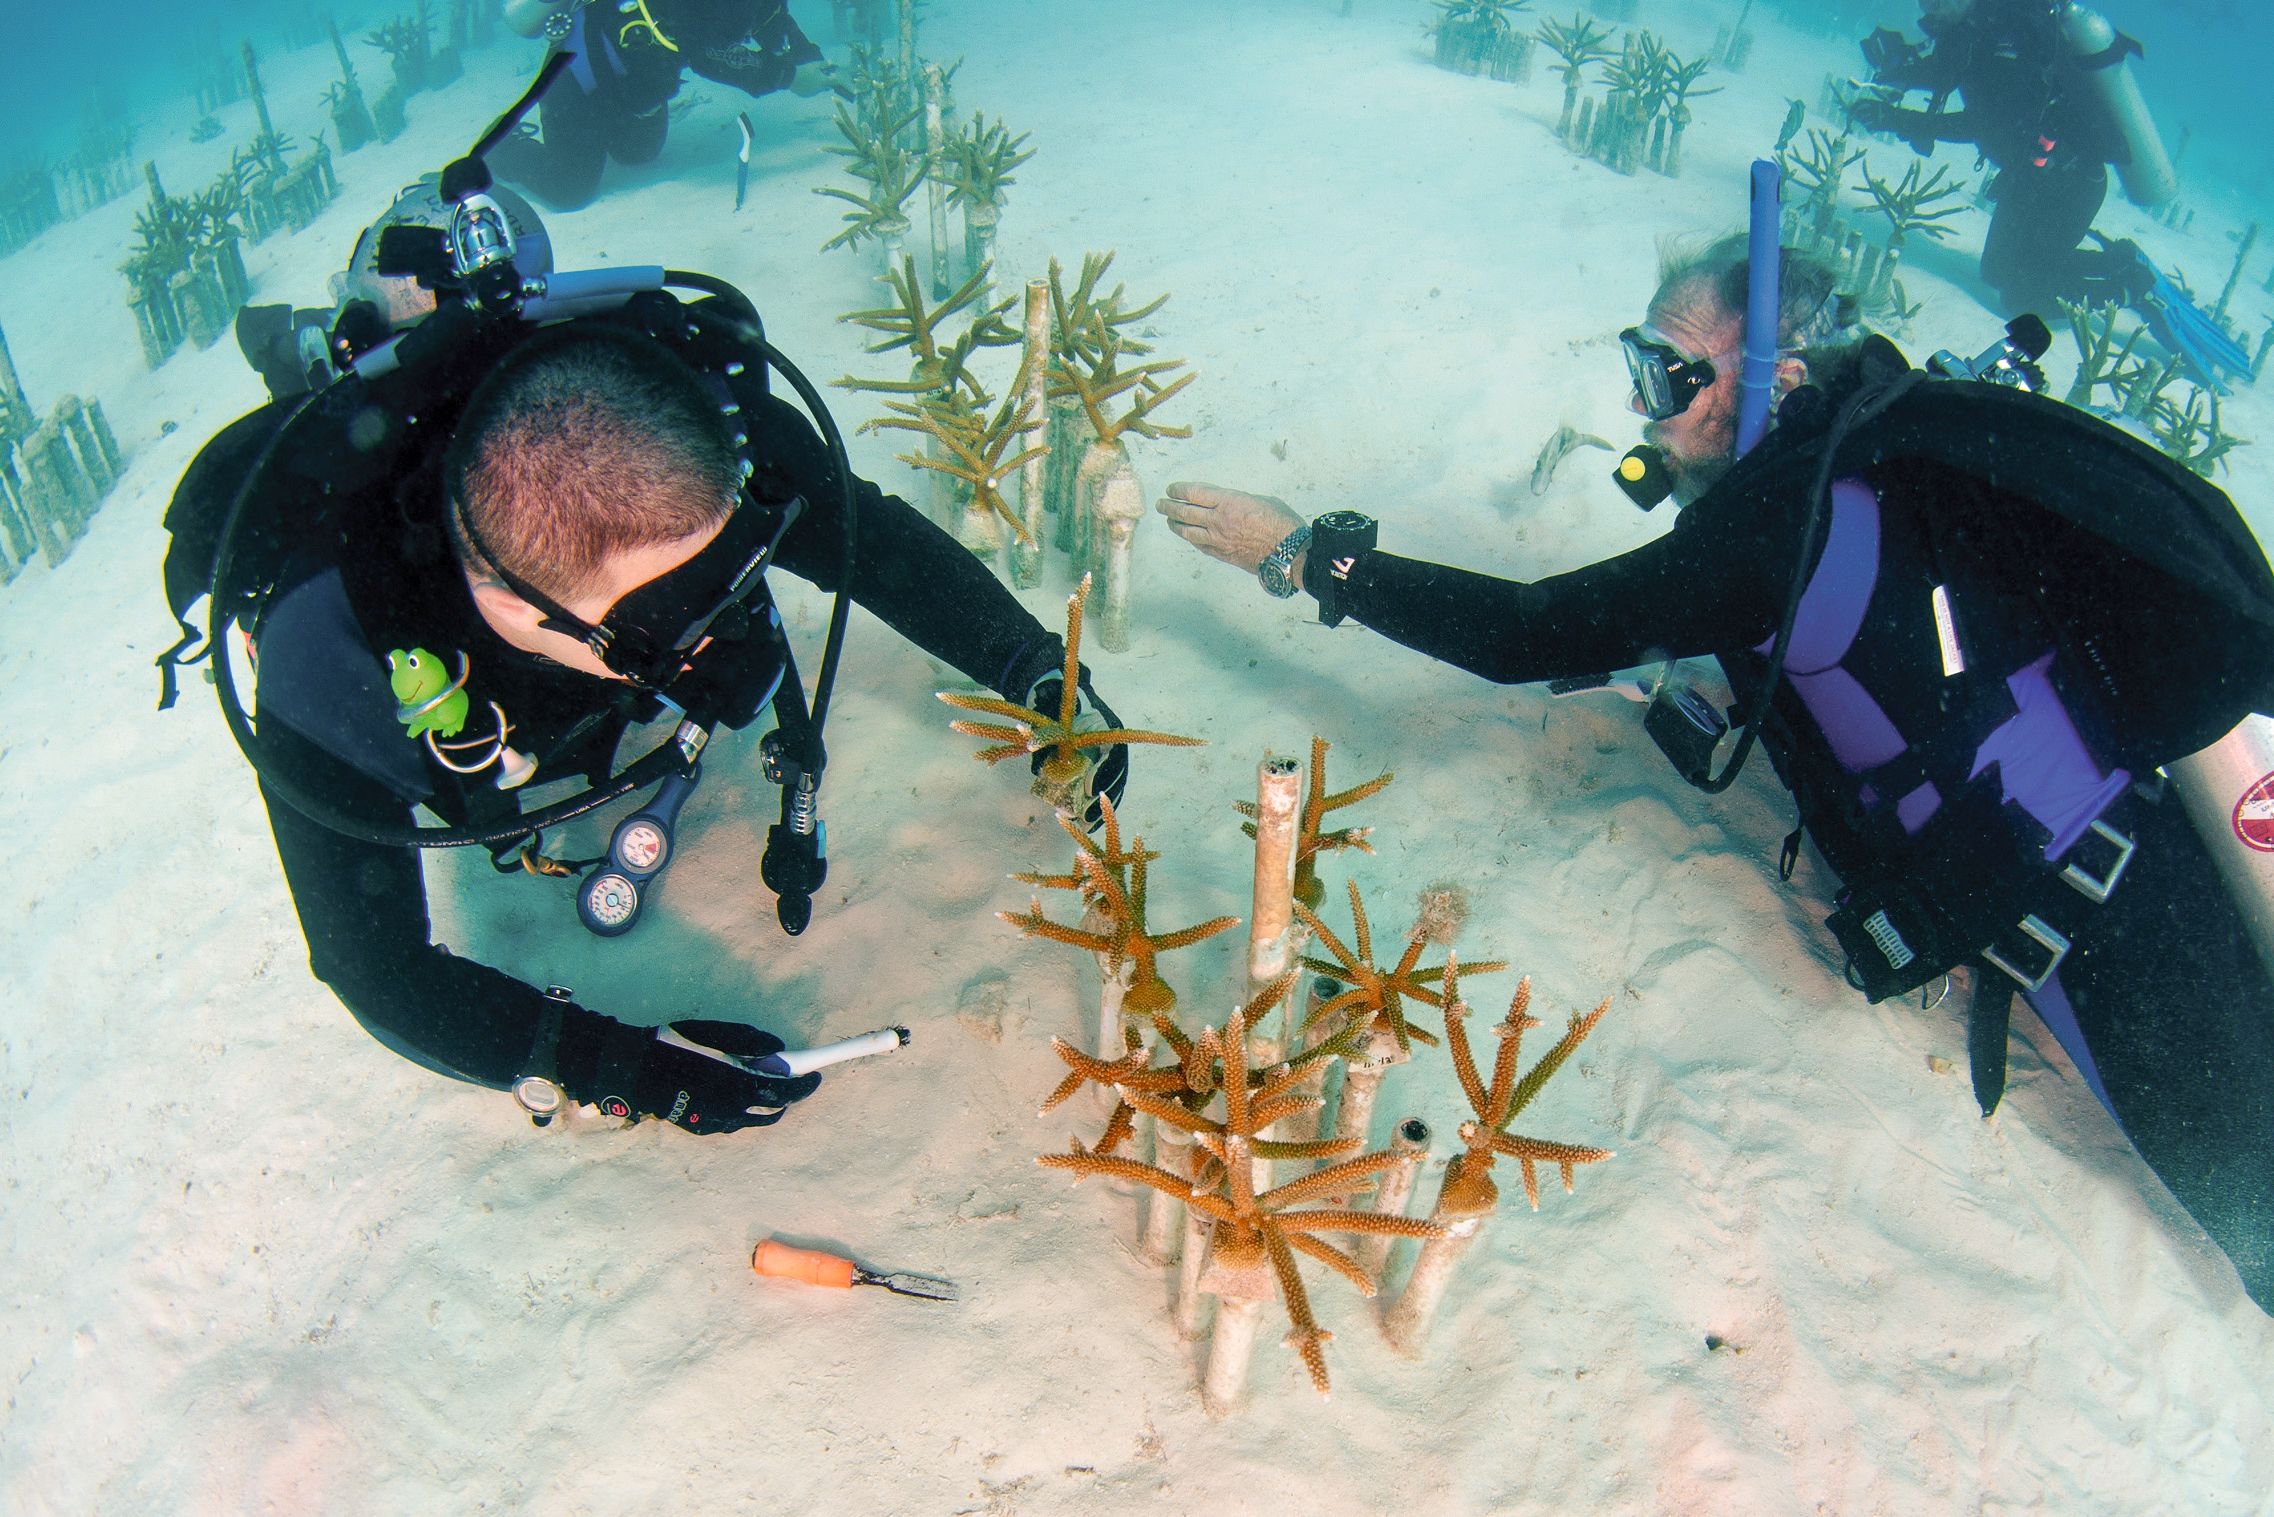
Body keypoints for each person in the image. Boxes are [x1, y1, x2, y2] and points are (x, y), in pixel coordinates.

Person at [1156, 234, 2274, 1309]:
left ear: (1775, 381)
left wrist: (1306, 554)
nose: (1643, 407)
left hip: (2096, 920)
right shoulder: (1877, 436)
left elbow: (1529, 632)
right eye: (1640, 366)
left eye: (1671, 374)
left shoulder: (1783, 520)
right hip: (2138, 835)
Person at [165, 181, 1131, 1136]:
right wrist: (612, 1065)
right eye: (666, 629)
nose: (725, 648)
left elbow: (867, 540)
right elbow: (370, 970)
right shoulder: (328, 666)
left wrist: (1039, 667)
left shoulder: (701, 424)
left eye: (734, 569)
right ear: (516, 608)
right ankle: (319, 342)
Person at [1847, 0, 2171, 319]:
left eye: (1937, 1)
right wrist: (1899, 70)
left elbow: (1983, 124)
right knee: (1996, 272)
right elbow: (1945, 72)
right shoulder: (1972, 32)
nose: (1929, 9)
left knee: (2023, 296)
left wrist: (1895, 119)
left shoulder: (2006, 40)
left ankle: (2129, 286)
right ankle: (2116, 261)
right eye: (1924, 2)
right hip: (2029, 178)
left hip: (2070, 184)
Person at [490, 0, 830, 210]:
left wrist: (808, 56)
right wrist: (789, 76)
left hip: (640, 90)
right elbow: (706, 53)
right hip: (577, 85)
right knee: (569, 188)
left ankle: (600, 135)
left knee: (639, 153)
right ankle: (503, 143)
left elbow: (770, 17)